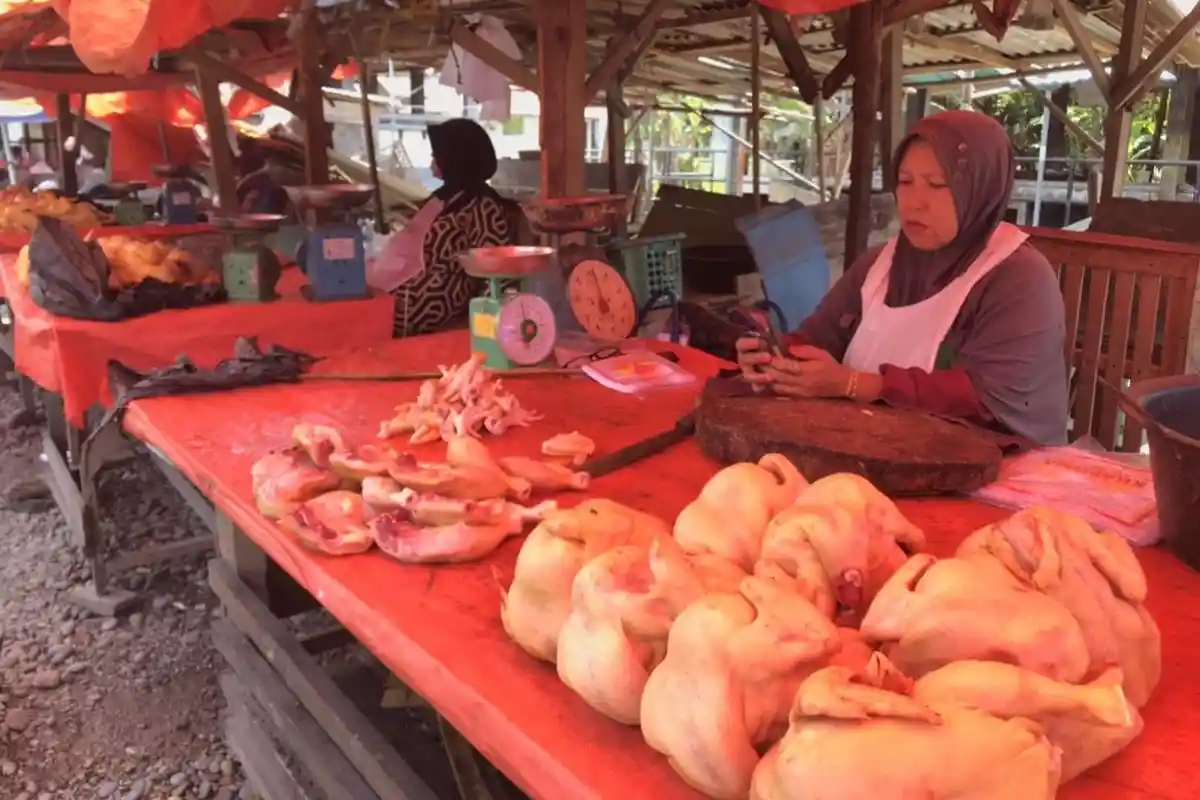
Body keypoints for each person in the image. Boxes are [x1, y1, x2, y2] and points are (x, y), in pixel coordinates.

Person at [736, 110, 1069, 446]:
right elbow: (816, 338)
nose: (914, 203)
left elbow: (986, 399)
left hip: (996, 472)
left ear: (982, 188)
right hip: (874, 448)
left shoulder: (1019, 278)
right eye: (905, 182)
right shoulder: (880, 265)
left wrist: (853, 384)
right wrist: (776, 358)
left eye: (938, 185)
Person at [391, 117, 515, 336]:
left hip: (432, 302)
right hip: (408, 292)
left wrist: (487, 326)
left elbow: (497, 272)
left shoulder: (483, 206)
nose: (432, 162)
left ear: (456, 157)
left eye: (436, 155)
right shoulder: (447, 198)